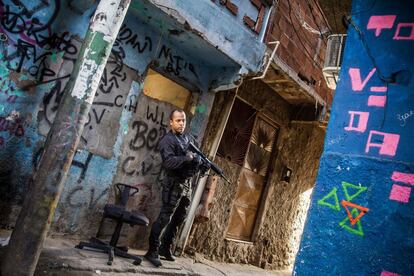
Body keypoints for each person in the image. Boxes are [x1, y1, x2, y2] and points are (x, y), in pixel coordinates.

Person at [144, 109, 208, 267]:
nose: (181, 123)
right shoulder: (168, 140)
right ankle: (152, 250)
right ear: (171, 122)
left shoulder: (187, 138)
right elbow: (169, 162)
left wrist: (201, 162)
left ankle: (165, 248)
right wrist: (187, 158)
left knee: (180, 217)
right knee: (165, 216)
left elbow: (195, 156)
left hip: (186, 184)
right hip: (172, 182)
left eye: (183, 120)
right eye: (178, 120)